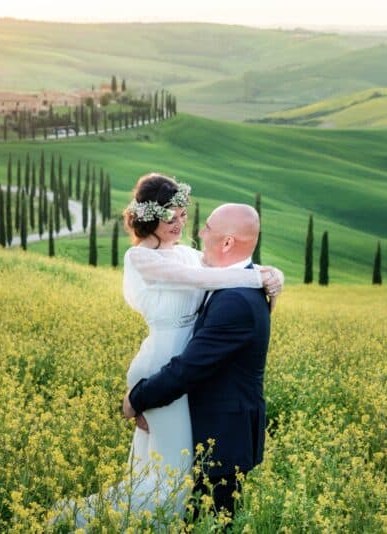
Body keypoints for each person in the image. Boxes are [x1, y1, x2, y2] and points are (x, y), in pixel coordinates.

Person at [58, 173, 283, 528]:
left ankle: (132, 521)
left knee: (168, 472)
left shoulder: (186, 254)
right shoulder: (141, 258)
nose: (182, 224)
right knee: (170, 474)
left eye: (184, 215)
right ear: (150, 217)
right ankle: (91, 521)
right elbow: (207, 278)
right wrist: (139, 397)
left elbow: (227, 259)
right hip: (161, 364)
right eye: (171, 216)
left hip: (179, 373)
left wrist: (272, 273)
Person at [123, 201, 274, 521]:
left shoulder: (235, 300)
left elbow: (187, 369)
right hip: (213, 433)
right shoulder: (234, 281)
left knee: (206, 522)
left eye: (207, 228)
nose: (199, 233)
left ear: (228, 242)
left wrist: (136, 399)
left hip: (221, 439)